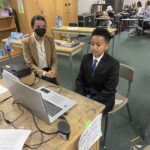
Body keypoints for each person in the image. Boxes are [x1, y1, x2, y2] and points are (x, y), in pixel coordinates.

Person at [75, 28, 119, 113]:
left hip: (103, 99)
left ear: (106, 46)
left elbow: (109, 90)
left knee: (88, 115)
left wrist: (91, 101)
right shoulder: (86, 58)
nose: (94, 48)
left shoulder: (113, 64)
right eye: (92, 44)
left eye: (98, 45)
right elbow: (79, 79)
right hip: (86, 94)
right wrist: (80, 94)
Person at [22, 15, 58, 84]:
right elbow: (29, 63)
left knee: (55, 89)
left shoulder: (50, 39)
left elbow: (54, 59)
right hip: (36, 72)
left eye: (44, 27)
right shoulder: (26, 42)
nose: (41, 28)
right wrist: (44, 73)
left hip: (50, 70)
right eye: (38, 27)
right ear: (33, 27)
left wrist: (53, 70)